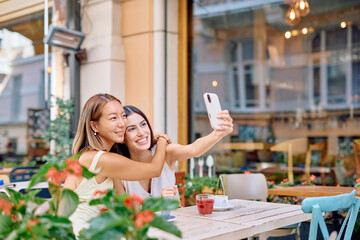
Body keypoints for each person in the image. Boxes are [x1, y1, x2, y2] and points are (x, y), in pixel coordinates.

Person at [63, 94, 170, 236]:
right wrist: (161, 140)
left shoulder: (93, 156)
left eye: (123, 116)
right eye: (113, 118)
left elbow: (124, 205)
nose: (122, 123)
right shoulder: (101, 159)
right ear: (94, 125)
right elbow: (155, 170)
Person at [115, 105, 233, 199]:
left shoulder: (165, 152)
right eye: (131, 129)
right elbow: (126, 215)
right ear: (122, 137)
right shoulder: (119, 171)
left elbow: (193, 150)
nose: (141, 132)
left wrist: (218, 133)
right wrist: (159, 204)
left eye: (143, 124)